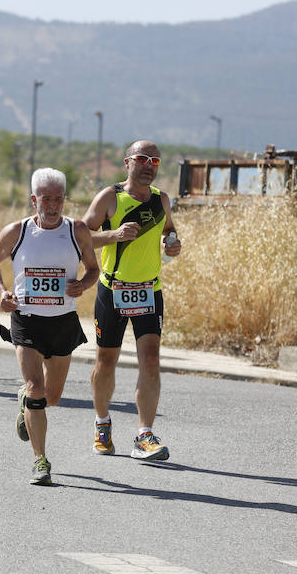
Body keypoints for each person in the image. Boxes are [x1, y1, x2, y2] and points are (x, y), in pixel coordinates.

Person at [0, 168, 99, 485]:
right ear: (34, 199)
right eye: (46, 199)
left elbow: (94, 269)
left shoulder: (77, 230)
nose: (52, 205)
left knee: (54, 396)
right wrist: (2, 293)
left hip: (62, 321)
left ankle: (27, 402)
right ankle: (40, 461)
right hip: (27, 320)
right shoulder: (16, 231)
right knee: (37, 388)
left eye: (58, 199)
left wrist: (84, 285)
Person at [81, 140, 181, 461]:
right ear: (128, 162)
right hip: (113, 290)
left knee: (150, 360)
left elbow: (169, 231)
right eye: (142, 158)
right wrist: (114, 235)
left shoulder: (161, 200)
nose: (149, 165)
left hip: (149, 290)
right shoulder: (110, 197)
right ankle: (102, 424)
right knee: (106, 362)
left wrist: (172, 244)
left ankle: (144, 434)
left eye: (155, 160)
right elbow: (81, 235)